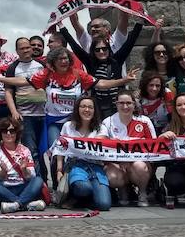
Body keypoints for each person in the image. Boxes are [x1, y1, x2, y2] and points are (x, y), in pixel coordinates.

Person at [27, 46, 123, 175]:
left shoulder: (78, 74)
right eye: (60, 59)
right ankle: (59, 186)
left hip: (75, 122)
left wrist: (124, 80)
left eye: (66, 58)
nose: (64, 61)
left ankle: (77, 179)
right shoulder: (47, 74)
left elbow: (100, 84)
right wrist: (0, 79)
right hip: (54, 122)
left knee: (77, 153)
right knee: (56, 153)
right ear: (53, 61)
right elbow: (23, 81)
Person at [61, 22, 141, 119]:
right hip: (99, 109)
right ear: (93, 51)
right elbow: (73, 44)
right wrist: (61, 25)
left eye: (104, 49)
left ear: (108, 49)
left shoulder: (117, 60)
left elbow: (130, 41)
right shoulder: (90, 62)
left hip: (119, 107)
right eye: (97, 50)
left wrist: (140, 22)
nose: (101, 52)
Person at [0, 37, 47, 182]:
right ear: (17, 51)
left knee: (47, 151)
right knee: (32, 151)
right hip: (26, 116)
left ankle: (52, 184)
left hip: (44, 114)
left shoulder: (41, 64)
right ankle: (38, 185)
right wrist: (14, 112)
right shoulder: (13, 68)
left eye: (28, 47)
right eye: (22, 48)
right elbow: (8, 92)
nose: (26, 50)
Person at [55, 95, 111, 211]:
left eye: (90, 107)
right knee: (83, 187)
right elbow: (60, 148)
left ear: (95, 110)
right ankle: (76, 196)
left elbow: (99, 142)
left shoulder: (101, 128)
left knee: (104, 205)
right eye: (83, 107)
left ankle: (85, 200)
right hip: (75, 164)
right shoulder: (68, 126)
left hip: (96, 166)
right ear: (77, 109)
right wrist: (59, 170)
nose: (87, 110)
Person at [101, 89, 156, 207]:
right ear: (116, 104)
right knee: (112, 177)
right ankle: (123, 189)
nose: (125, 106)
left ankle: (142, 192)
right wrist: (121, 160)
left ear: (134, 104)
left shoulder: (144, 121)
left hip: (139, 162)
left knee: (139, 166)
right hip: (116, 164)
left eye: (128, 103)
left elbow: (153, 146)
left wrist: (129, 159)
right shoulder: (108, 122)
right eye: (121, 103)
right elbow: (101, 145)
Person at [0, 117, 46, 213]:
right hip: (4, 189)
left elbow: (32, 177)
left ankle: (15, 205)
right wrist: (3, 171)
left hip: (23, 187)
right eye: (5, 131)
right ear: (0, 133)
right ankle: (25, 204)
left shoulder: (25, 150)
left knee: (38, 180)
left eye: (12, 131)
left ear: (17, 133)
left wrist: (24, 170)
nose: (8, 134)